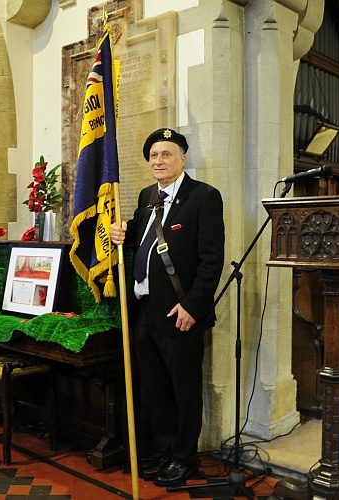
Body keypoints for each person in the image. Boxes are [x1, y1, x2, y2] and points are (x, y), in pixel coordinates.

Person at [110, 128, 225, 487]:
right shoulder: (147, 197)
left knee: (184, 389)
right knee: (156, 388)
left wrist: (192, 305)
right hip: (144, 310)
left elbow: (211, 260)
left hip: (180, 314)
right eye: (154, 156)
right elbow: (142, 249)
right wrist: (122, 237)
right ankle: (164, 453)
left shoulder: (203, 197)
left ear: (182, 159)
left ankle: (184, 458)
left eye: (166, 154)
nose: (158, 161)